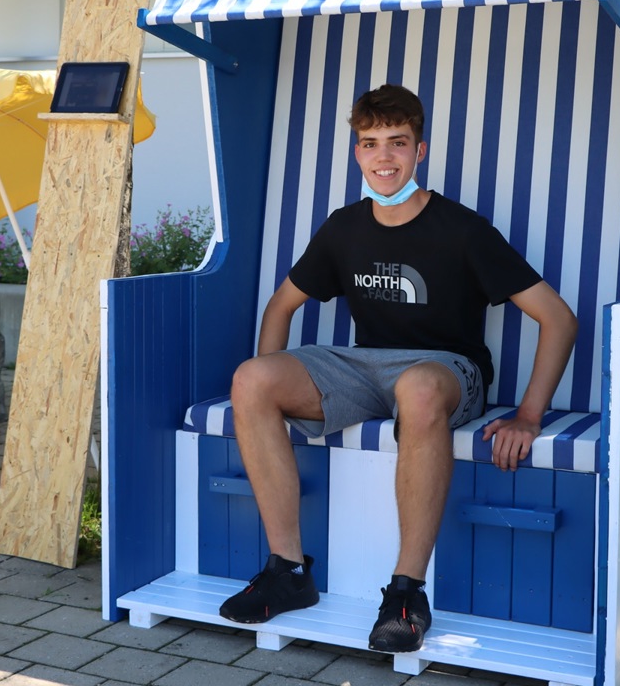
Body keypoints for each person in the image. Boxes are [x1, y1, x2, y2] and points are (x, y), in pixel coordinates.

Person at [220, 84, 578, 653]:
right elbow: (281, 305)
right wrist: (268, 397)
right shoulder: (344, 227)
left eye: (397, 142)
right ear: (357, 153)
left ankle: (407, 594)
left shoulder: (462, 229)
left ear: (420, 150)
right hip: (364, 368)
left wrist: (529, 416)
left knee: (415, 387)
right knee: (251, 379)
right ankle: (288, 573)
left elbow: (557, 318)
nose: (383, 157)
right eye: (369, 144)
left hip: (445, 372)